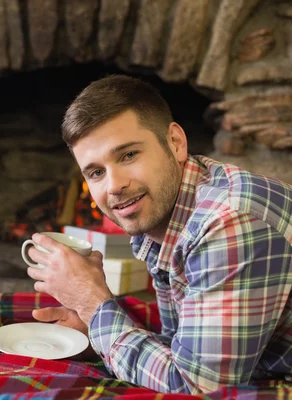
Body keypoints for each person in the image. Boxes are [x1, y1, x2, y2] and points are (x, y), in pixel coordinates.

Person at [26, 75, 292, 394]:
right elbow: (179, 346)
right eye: (96, 172)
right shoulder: (167, 214)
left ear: (176, 143)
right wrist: (99, 330)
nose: (114, 186)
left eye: (128, 155)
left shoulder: (226, 223)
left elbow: (194, 388)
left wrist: (92, 302)